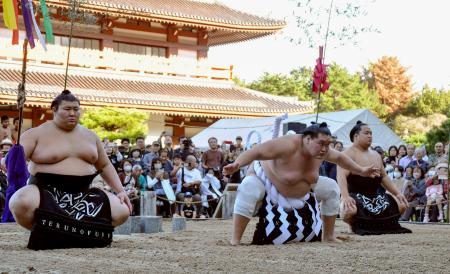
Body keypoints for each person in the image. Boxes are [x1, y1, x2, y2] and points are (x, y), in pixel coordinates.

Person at [8, 90, 131, 250]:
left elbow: (104, 165)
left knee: (122, 211)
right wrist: (14, 157)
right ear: (54, 109)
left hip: (83, 194)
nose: (72, 113)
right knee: (20, 202)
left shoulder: (90, 136)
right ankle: (44, 230)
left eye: (76, 109)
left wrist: (120, 190)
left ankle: (72, 234)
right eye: (67, 109)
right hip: (45, 191)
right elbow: (12, 164)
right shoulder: (35, 134)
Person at [223, 122, 380, 245]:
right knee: (248, 186)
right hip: (268, 182)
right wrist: (237, 164)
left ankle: (328, 235)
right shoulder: (286, 144)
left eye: (328, 144)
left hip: (302, 192)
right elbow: (256, 152)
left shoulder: (322, 150)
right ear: (307, 139)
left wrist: (361, 170)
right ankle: (236, 239)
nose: (326, 149)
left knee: (331, 187)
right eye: (321, 143)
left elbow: (340, 158)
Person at [338, 121, 411, 235]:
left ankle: (380, 225)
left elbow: (384, 177)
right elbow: (341, 176)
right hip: (355, 195)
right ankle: (353, 226)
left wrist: (397, 193)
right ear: (356, 136)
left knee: (401, 204)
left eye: (371, 133)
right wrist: (345, 196)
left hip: (376, 196)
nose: (370, 136)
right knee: (349, 210)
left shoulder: (376, 155)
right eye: (366, 133)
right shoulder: (347, 154)